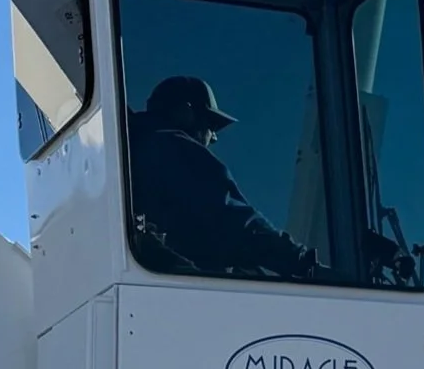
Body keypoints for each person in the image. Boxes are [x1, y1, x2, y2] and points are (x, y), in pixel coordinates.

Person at [127, 75, 315, 278]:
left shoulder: (132, 151)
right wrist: (301, 262)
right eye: (211, 125)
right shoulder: (169, 147)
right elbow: (233, 221)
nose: (214, 137)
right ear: (185, 113)